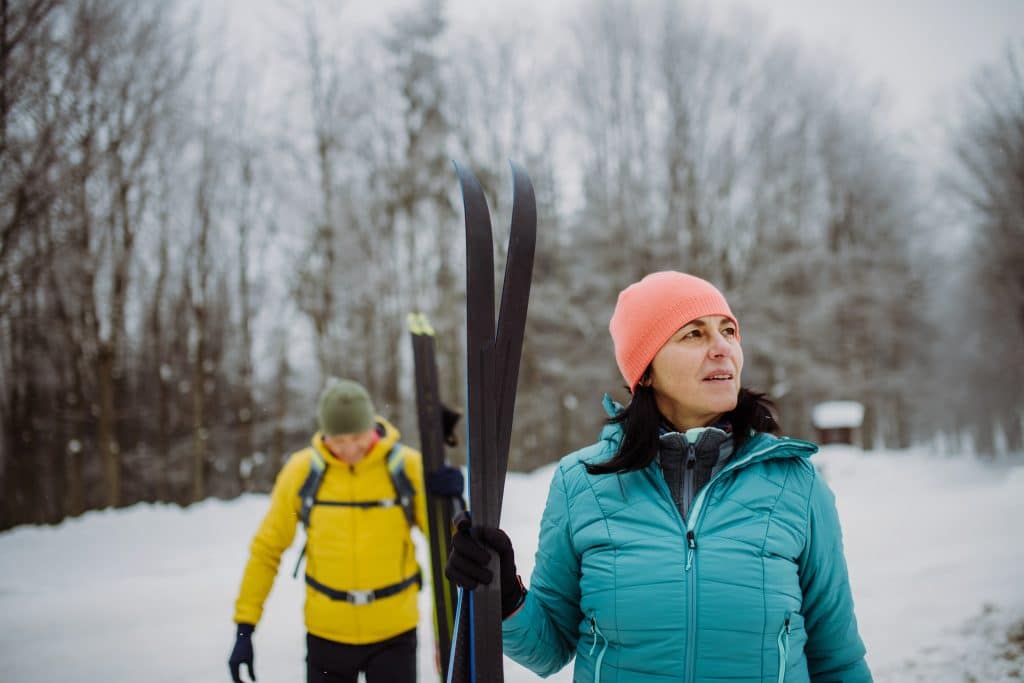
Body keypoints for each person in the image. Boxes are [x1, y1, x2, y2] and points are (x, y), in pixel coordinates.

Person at [446, 271, 872, 682]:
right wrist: (504, 599)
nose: (722, 348)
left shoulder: (795, 483)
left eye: (728, 331)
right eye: (694, 334)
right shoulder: (582, 483)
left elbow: (837, 660)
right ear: (645, 371)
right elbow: (549, 646)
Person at [229, 378, 464, 683]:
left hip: (394, 634)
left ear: (372, 427)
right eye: (338, 441)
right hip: (327, 636)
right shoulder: (302, 473)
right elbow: (267, 550)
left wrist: (455, 503)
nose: (350, 448)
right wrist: (245, 628)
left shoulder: (406, 467)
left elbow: (449, 549)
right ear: (324, 435)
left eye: (358, 437)